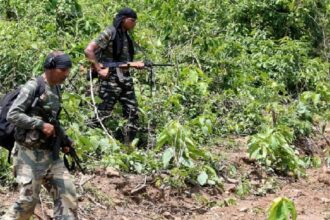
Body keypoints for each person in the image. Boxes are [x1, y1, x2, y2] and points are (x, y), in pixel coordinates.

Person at [1, 51, 78, 220]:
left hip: (51, 155)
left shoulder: (57, 87)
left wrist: (64, 141)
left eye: (68, 70)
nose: (66, 73)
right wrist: (40, 125)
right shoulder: (33, 86)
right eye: (63, 69)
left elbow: (53, 120)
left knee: (68, 198)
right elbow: (13, 115)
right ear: (50, 67)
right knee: (27, 203)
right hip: (28, 154)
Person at [84, 7, 144, 145]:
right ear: (124, 19)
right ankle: (91, 142)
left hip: (124, 78)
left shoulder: (125, 35)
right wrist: (99, 70)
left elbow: (121, 62)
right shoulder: (110, 32)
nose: (134, 24)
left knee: (132, 112)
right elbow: (88, 50)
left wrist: (133, 65)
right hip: (110, 79)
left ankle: (128, 146)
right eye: (132, 20)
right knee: (103, 112)